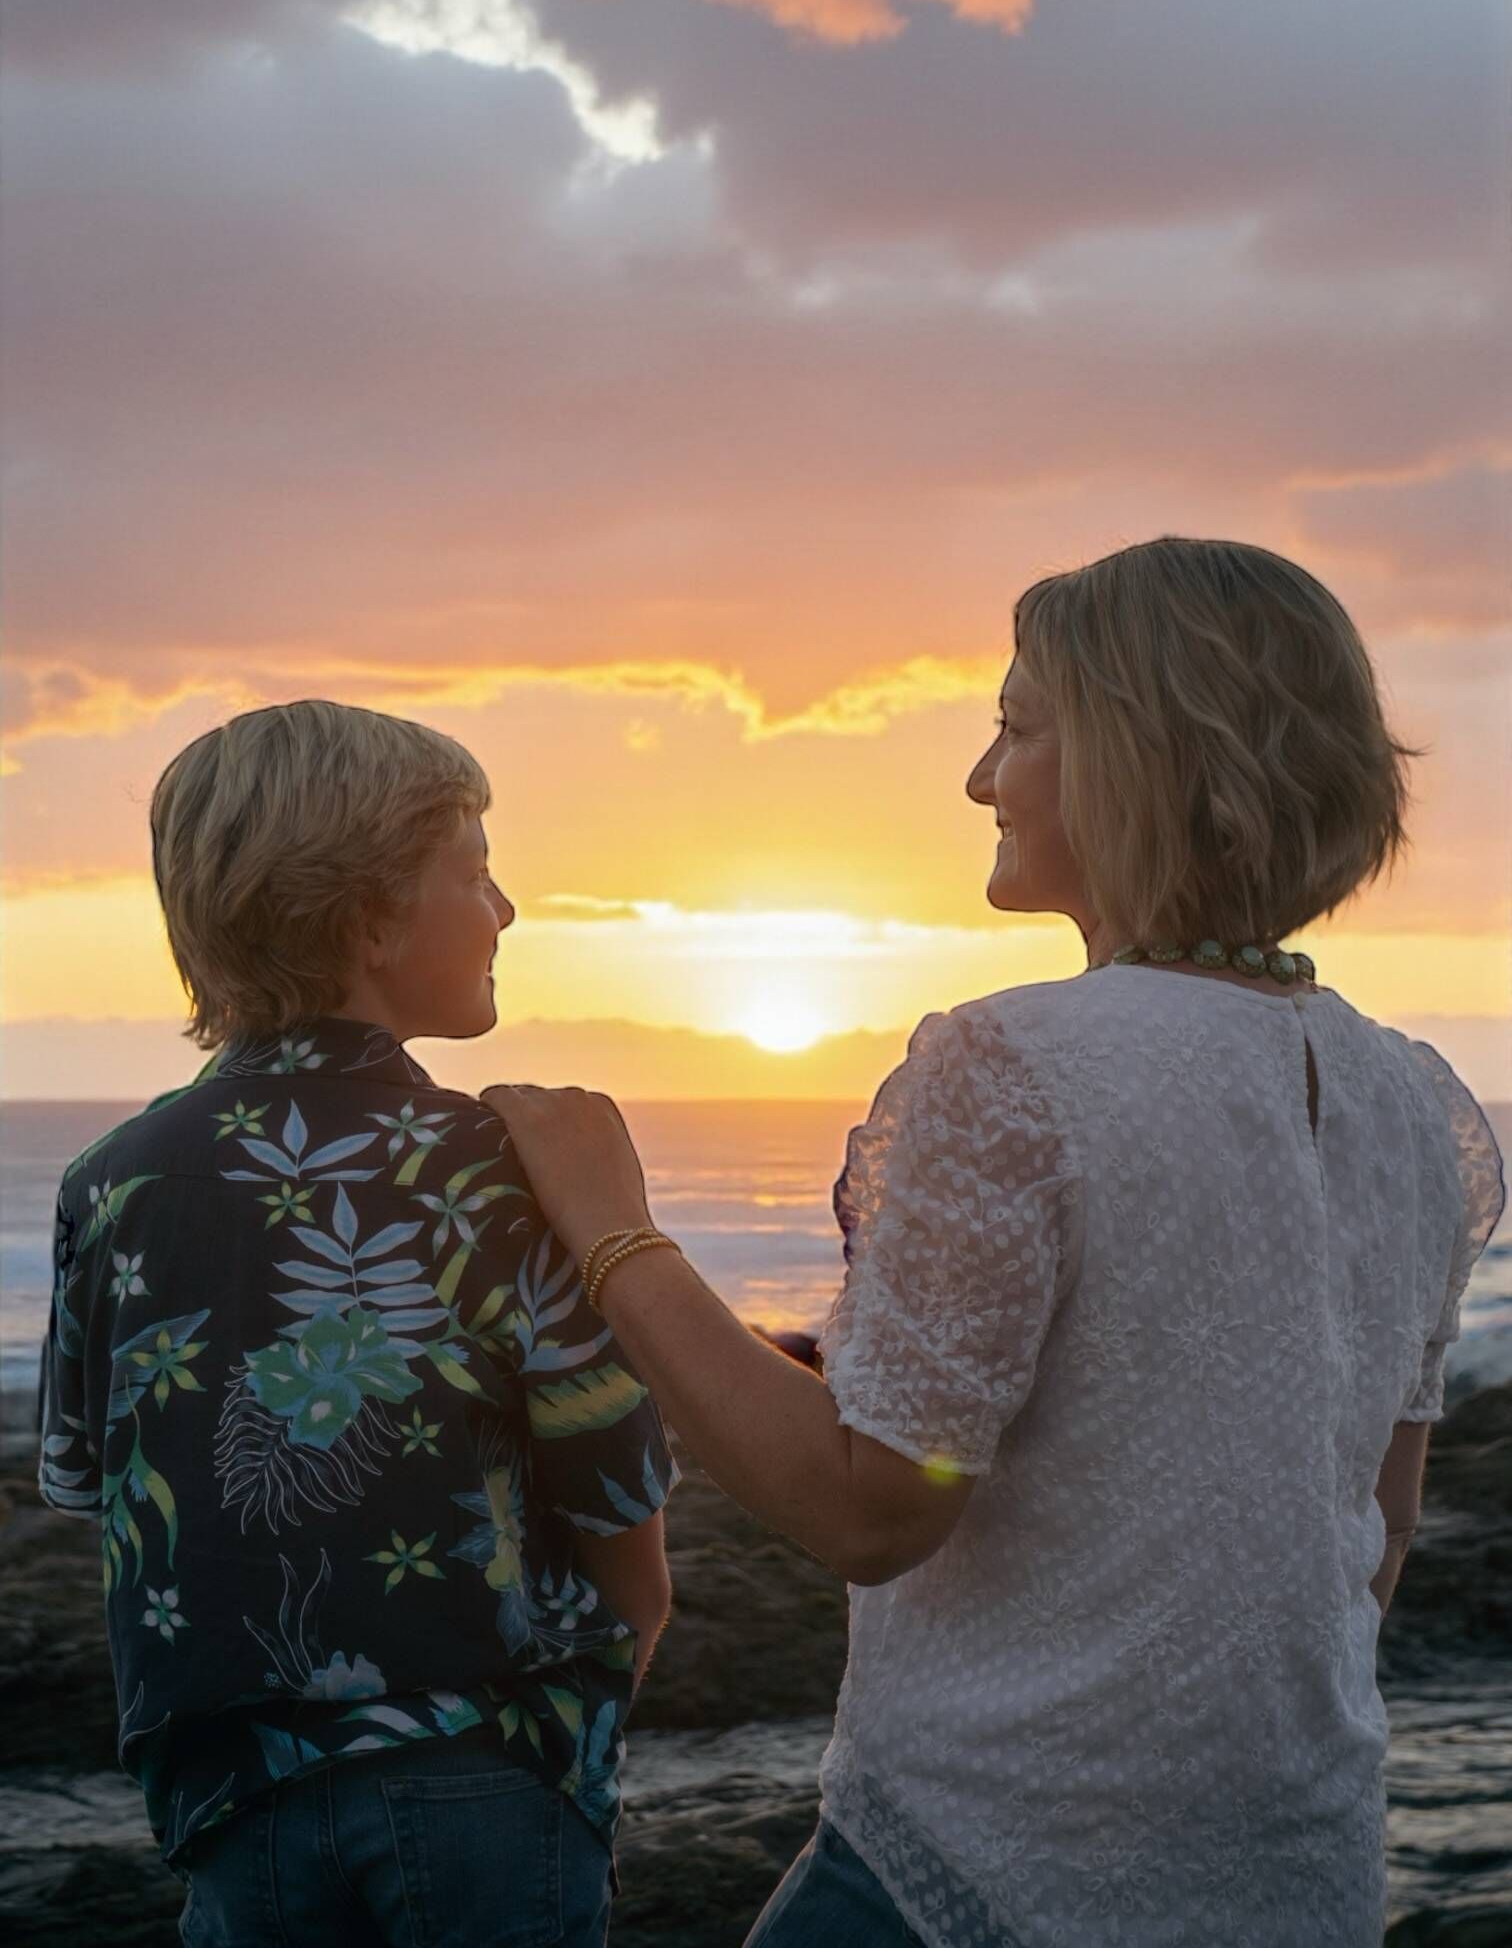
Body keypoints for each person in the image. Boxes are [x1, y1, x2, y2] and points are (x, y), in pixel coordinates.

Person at [487, 537, 1506, 1948]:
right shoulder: (1423, 1108)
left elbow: (875, 1509)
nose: (981, 777)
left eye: (1020, 730)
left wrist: (615, 1235)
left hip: (992, 1863)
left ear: (1144, 758)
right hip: (1297, 1863)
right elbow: (1368, 1530)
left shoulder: (1014, 1067)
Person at [38, 700, 674, 1948]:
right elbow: (613, 1488)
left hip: (228, 1800)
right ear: (374, 915)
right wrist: (618, 1668)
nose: (506, 912)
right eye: (478, 875)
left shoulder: (111, 1182)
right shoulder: (497, 1169)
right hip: (487, 1769)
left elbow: (96, 1479)